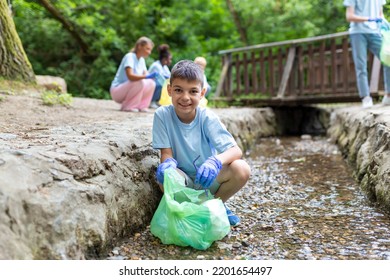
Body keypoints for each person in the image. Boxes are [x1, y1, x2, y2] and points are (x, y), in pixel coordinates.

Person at [152, 60, 251, 226]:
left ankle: (215, 205)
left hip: (208, 179)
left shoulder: (207, 117)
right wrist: (167, 164)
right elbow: (166, 153)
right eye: (178, 90)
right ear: (169, 90)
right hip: (183, 181)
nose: (185, 97)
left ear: (202, 93)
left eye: (193, 91)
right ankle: (190, 208)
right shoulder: (162, 115)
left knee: (241, 168)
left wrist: (215, 161)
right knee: (165, 177)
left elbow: (235, 151)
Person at [344, 0, 390, 107]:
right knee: (361, 66)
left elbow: (380, 14)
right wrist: (369, 19)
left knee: (388, 60)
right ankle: (366, 97)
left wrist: (383, 22)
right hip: (358, 32)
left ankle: (388, 95)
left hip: (375, 32)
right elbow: (349, 16)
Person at [110, 36, 157, 112]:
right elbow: (130, 76)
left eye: (150, 50)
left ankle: (141, 106)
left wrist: (155, 76)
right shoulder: (130, 56)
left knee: (151, 83)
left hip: (130, 88)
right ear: (139, 46)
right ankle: (128, 106)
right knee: (139, 82)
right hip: (117, 91)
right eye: (147, 49)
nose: (149, 52)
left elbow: (147, 75)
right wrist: (146, 76)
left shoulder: (141, 60)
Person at [148, 44, 172, 109]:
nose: (170, 61)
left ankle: (157, 101)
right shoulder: (156, 65)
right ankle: (152, 101)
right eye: (169, 59)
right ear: (164, 59)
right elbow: (160, 78)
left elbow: (170, 76)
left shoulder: (164, 67)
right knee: (161, 84)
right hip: (150, 85)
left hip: (155, 85)